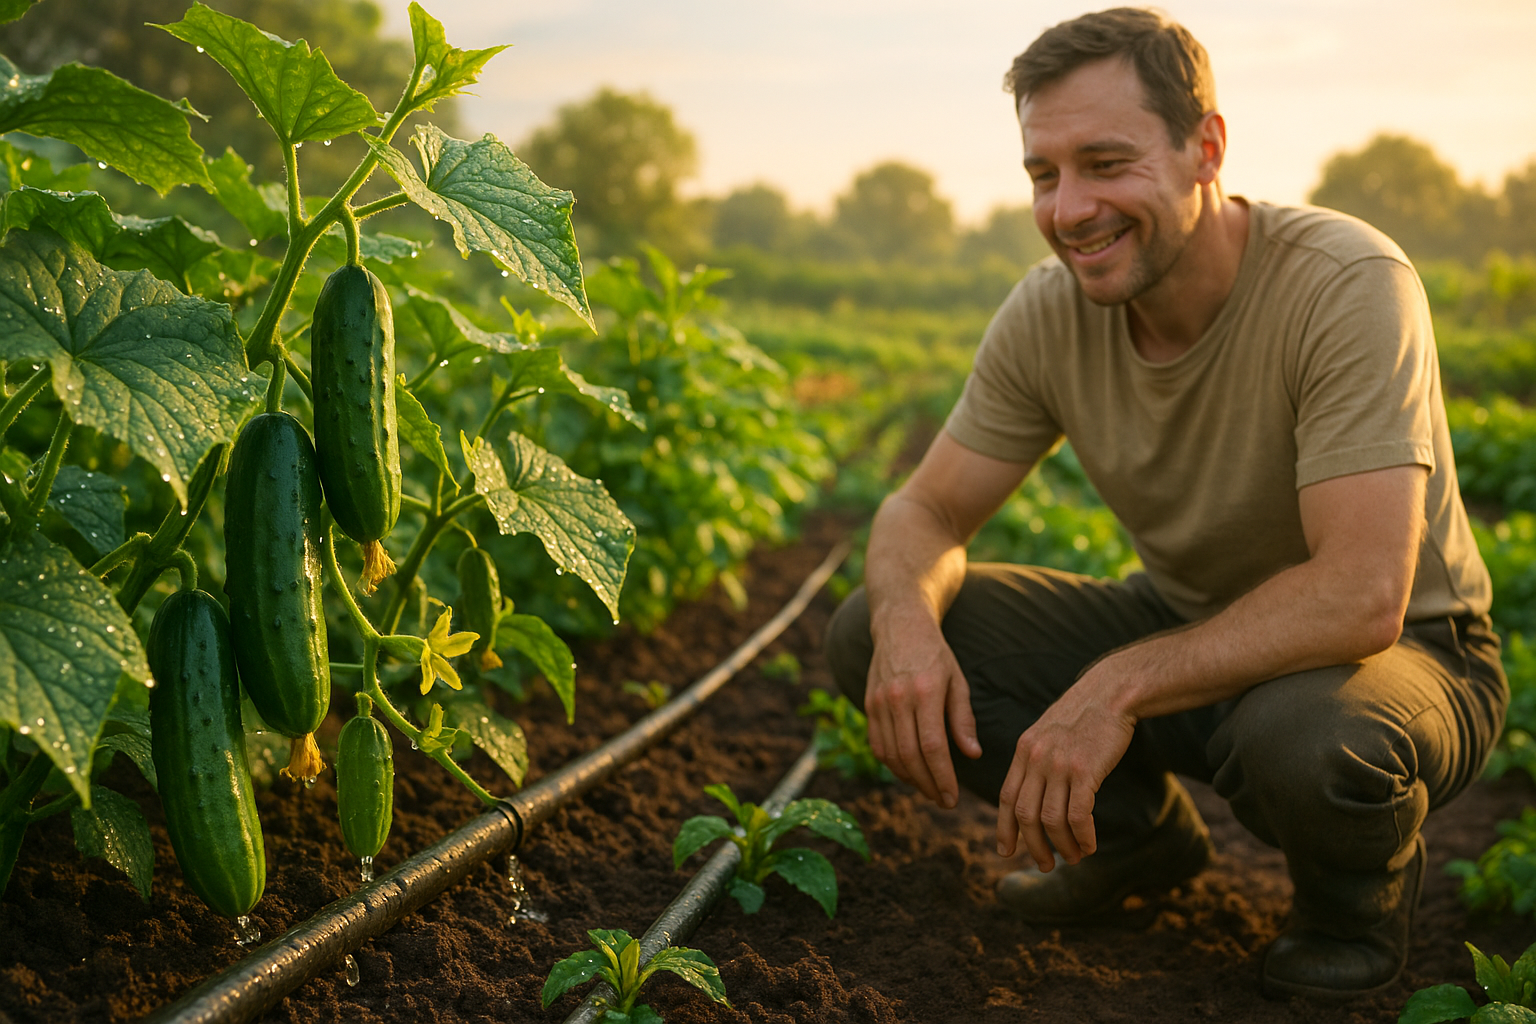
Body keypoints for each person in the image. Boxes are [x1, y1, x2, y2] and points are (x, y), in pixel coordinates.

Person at [823, 6, 1507, 1003]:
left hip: (1405, 657)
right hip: (1190, 622)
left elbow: (1363, 595)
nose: (1069, 209)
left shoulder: (1345, 283)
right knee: (873, 626)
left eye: (1106, 163)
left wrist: (1116, 687)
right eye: (1043, 174)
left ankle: (1349, 910)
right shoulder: (1048, 312)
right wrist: (904, 627)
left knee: (1304, 737)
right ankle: (1136, 840)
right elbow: (922, 510)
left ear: (1207, 149)